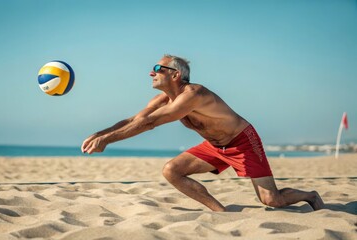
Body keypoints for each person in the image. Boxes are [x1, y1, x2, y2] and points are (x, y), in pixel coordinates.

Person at [81, 54, 325, 212]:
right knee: (172, 170)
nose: (151, 72)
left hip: (242, 142)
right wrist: (99, 134)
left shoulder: (193, 95)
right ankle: (221, 213)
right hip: (215, 145)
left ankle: (310, 196)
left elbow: (150, 123)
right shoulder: (163, 98)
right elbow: (137, 119)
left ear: (176, 75)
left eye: (158, 68)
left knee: (272, 200)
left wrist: (108, 141)